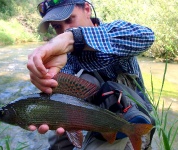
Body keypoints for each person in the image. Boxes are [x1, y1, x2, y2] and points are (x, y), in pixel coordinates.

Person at [27, 0, 155, 149]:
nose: (64, 30)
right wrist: (46, 77)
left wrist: (73, 39)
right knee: (58, 138)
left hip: (131, 120)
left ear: (87, 9)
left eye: (69, 19)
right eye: (57, 26)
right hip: (89, 117)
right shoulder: (62, 59)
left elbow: (147, 36)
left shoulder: (114, 33)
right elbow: (61, 95)